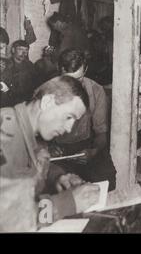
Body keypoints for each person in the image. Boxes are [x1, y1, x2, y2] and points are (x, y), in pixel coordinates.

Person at [0, 76, 100, 231]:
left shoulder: (22, 126)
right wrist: (67, 203)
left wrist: (57, 177)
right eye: (68, 117)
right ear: (47, 102)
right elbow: (11, 221)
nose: (69, 128)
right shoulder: (8, 135)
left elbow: (30, 165)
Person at [53, 49, 116, 191]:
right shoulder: (44, 91)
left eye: (78, 79)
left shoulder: (96, 90)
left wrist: (93, 151)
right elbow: (34, 135)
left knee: (107, 178)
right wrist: (48, 147)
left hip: (86, 147)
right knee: (58, 186)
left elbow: (101, 133)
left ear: (86, 69)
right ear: (59, 70)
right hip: (57, 149)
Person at [4, 40, 38, 106]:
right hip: (10, 102)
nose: (24, 53)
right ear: (13, 50)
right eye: (20, 49)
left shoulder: (30, 65)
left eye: (26, 50)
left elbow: (36, 84)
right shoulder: (6, 65)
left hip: (27, 102)